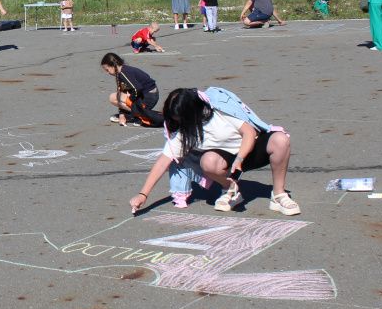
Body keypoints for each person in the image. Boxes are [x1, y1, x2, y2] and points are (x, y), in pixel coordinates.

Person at [129, 88, 301, 217]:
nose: (178, 122)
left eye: (181, 119)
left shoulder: (219, 109)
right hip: (225, 158)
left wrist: (240, 159)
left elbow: (249, 133)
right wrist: (143, 194)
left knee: (281, 140)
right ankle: (229, 189)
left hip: (251, 149)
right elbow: (163, 161)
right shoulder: (183, 130)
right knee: (208, 161)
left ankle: (278, 195)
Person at [100, 52, 162, 128]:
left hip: (149, 96)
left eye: (107, 70)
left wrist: (130, 99)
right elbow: (123, 92)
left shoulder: (124, 73)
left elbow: (137, 89)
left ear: (113, 66)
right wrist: (121, 114)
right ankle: (134, 114)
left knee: (115, 97)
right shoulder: (120, 73)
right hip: (143, 95)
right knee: (114, 97)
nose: (107, 73)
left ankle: (140, 115)